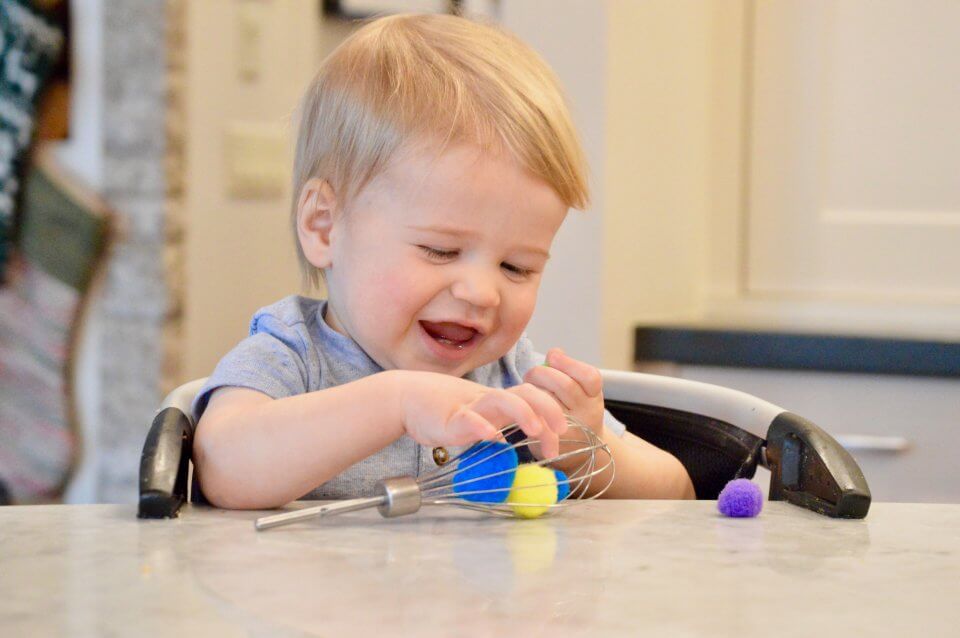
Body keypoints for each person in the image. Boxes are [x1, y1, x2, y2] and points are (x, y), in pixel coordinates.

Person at [192, 13, 695, 509]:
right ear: (325, 225)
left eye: (517, 267)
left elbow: (679, 493)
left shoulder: (513, 377)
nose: (481, 292)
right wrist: (395, 402)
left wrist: (584, 451)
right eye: (441, 251)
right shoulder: (290, 355)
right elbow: (221, 469)